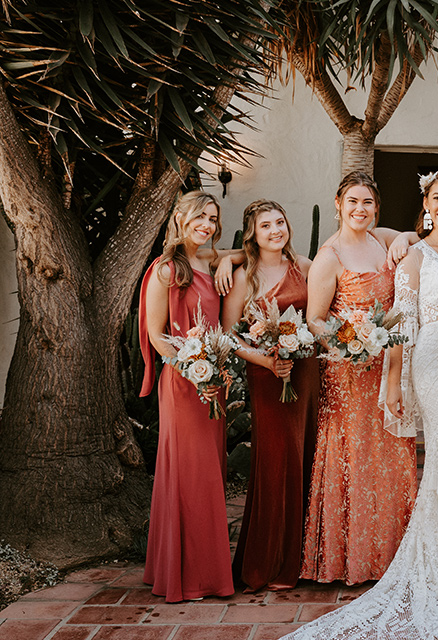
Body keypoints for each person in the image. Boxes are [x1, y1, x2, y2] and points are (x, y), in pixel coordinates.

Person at [284, 171, 438, 640]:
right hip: (432, 368)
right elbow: (403, 325)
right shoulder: (412, 256)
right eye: (437, 198)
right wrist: (393, 381)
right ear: (426, 203)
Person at [300, 171, 418, 584]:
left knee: (390, 454)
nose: (360, 209)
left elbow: (422, 237)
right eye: (352, 201)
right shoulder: (328, 256)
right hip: (347, 370)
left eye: (367, 202)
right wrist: (349, 341)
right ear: (338, 203)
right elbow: (314, 319)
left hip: (388, 366)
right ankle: (351, 559)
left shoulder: (381, 239)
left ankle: (393, 556)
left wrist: (404, 234)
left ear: (376, 207)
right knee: (353, 457)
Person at [138, 190, 234, 603]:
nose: (207, 225)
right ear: (180, 217)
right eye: (200, 217)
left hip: (214, 383)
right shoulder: (166, 269)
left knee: (210, 473)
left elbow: (245, 253)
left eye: (213, 219)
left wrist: (230, 259)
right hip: (183, 383)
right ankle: (186, 576)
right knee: (188, 474)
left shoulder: (211, 260)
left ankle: (207, 571)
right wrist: (193, 369)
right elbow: (157, 334)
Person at [220, 199, 319, 592]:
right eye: (266, 226)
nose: (276, 230)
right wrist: (267, 362)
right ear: (253, 234)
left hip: (307, 374)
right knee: (276, 465)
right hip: (270, 377)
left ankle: (307, 559)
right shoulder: (245, 276)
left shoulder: (306, 267)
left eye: (281, 222)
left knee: (308, 457)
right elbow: (230, 333)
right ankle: (269, 561)